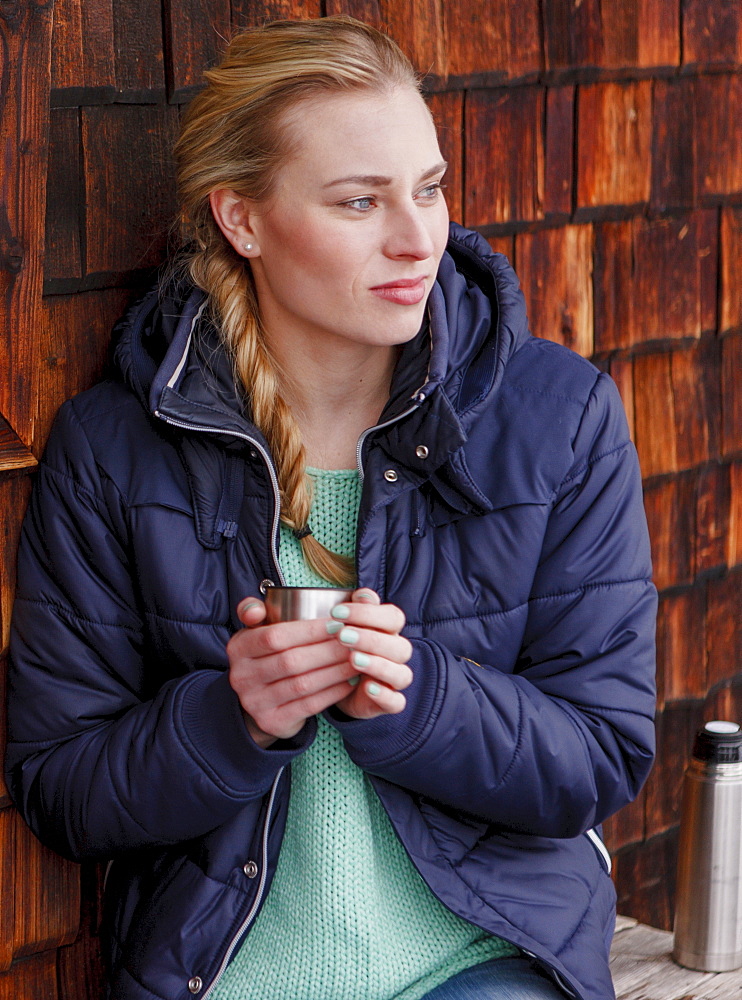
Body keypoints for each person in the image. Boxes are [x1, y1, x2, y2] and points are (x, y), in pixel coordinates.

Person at [5, 16, 656, 1000]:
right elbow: (63, 789)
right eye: (360, 201)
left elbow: (598, 758)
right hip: (223, 976)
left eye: (428, 188)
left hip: (475, 963)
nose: (417, 237)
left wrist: (422, 697)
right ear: (243, 220)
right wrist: (233, 719)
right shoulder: (113, 448)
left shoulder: (555, 417)